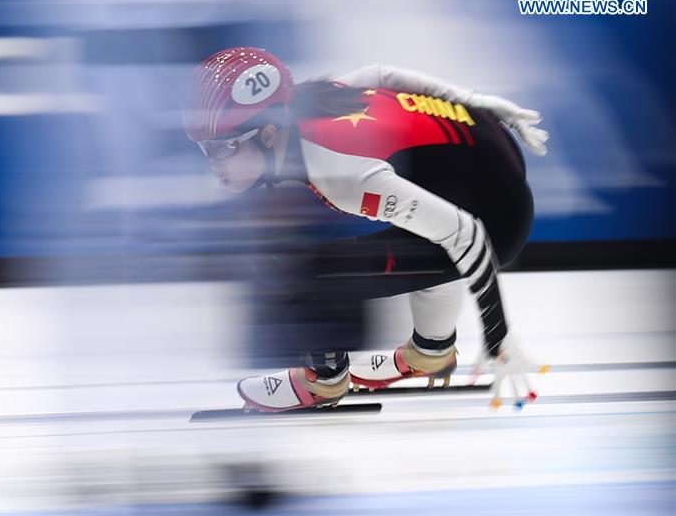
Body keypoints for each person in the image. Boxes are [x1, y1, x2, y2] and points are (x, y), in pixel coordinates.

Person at [182, 47, 549, 413]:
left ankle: (324, 380)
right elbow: (382, 73)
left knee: (312, 271)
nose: (212, 163)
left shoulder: (340, 174)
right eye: (203, 149)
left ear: (267, 135)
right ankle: (431, 352)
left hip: (495, 216)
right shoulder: (309, 100)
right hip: (483, 158)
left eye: (220, 148)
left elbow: (466, 235)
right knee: (423, 230)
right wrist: (476, 101)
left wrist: (498, 337)